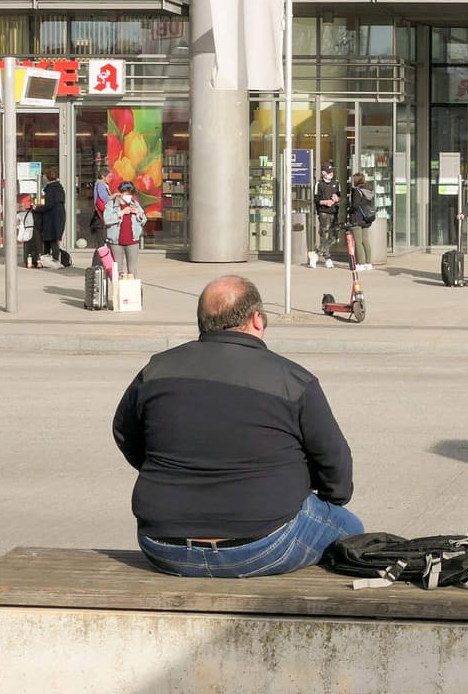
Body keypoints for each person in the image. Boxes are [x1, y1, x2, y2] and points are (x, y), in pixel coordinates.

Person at [112, 276, 362, 578]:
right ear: (256, 318)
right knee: (350, 529)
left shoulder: (155, 370)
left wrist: (170, 474)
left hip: (162, 545)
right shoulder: (293, 380)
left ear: (203, 322)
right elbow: (335, 465)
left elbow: (125, 433)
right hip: (263, 544)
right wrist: (319, 497)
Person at [106, 181, 147, 281]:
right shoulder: (111, 205)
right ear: (121, 193)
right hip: (116, 242)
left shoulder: (135, 204)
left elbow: (144, 220)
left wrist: (138, 214)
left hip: (132, 242)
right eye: (127, 194)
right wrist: (121, 213)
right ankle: (118, 294)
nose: (129, 196)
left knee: (132, 271)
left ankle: (130, 294)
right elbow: (107, 219)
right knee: (117, 272)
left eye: (131, 194)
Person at [310, 162, 342, 269]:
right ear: (323, 172)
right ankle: (328, 258)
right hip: (323, 212)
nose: (331, 173)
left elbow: (339, 195)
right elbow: (316, 199)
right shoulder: (318, 184)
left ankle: (316, 253)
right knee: (324, 235)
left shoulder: (336, 183)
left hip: (334, 212)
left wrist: (336, 199)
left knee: (334, 237)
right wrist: (325, 202)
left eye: (332, 171)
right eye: (328, 172)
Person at [345, 171, 377, 272]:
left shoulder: (357, 191)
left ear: (356, 180)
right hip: (367, 218)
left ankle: (361, 263)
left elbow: (355, 205)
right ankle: (368, 263)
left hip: (357, 218)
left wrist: (348, 211)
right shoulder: (370, 190)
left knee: (358, 242)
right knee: (365, 240)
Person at [39, 169, 68, 267]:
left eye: (44, 177)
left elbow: (49, 205)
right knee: (54, 238)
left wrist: (38, 208)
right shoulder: (59, 188)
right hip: (58, 216)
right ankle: (53, 260)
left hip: (51, 217)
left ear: (47, 177)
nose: (43, 179)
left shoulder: (51, 189)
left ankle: (51, 260)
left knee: (50, 238)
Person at [16, 192, 45, 268]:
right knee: (38, 247)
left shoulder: (22, 213)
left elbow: (16, 221)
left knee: (28, 247)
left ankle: (28, 262)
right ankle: (37, 261)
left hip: (28, 232)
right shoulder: (37, 212)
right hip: (36, 232)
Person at [89, 170, 112, 244]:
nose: (110, 178)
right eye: (109, 177)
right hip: (100, 216)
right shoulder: (101, 185)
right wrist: (114, 196)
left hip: (99, 216)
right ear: (103, 177)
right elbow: (104, 198)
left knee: (102, 242)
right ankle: (100, 256)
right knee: (102, 243)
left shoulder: (99, 184)